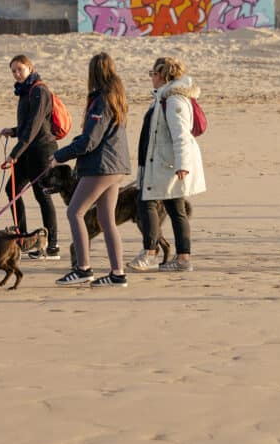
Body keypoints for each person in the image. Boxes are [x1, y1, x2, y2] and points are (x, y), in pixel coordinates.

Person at [53, 52, 132, 287]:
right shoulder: (115, 97)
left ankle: (83, 268)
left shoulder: (103, 100)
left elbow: (90, 141)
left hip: (103, 167)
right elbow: (92, 137)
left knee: (74, 212)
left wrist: (59, 156)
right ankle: (118, 274)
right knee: (106, 219)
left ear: (94, 73)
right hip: (114, 166)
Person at [127, 57, 205, 272]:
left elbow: (181, 135)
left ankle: (150, 254)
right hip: (161, 162)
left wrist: (183, 165)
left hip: (166, 164)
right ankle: (182, 259)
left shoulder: (174, 100)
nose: (151, 77)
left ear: (163, 75)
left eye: (152, 73)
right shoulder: (165, 97)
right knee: (174, 208)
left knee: (148, 203)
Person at [0, 54, 61, 260]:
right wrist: (14, 131)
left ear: (30, 68)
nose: (17, 74)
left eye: (20, 69)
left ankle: (52, 246)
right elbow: (28, 126)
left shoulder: (40, 91)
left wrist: (14, 153)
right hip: (27, 150)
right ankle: (23, 238)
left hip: (42, 150)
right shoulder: (25, 91)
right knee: (12, 190)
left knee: (42, 195)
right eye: (13, 71)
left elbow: (35, 127)